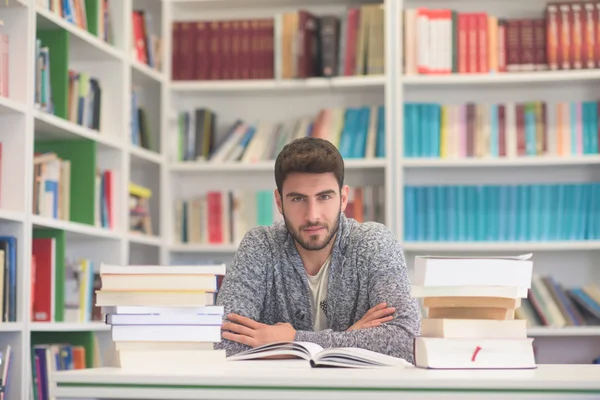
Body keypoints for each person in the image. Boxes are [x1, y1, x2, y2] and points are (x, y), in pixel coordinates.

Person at [215, 137, 420, 363]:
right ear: (279, 202)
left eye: (324, 197)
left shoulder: (373, 243)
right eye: (298, 199)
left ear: (343, 199)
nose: (312, 215)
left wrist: (294, 340)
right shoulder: (260, 246)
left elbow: (407, 341)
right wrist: (349, 339)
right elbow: (223, 342)